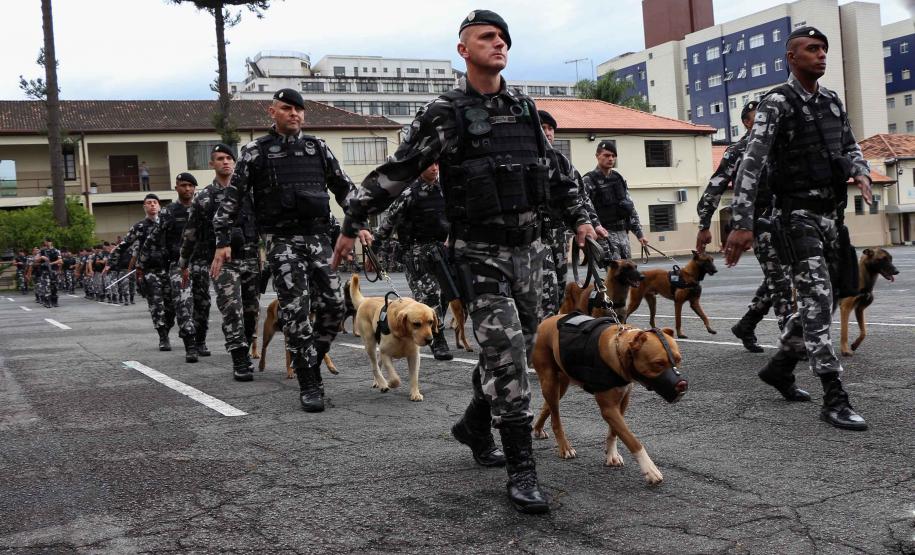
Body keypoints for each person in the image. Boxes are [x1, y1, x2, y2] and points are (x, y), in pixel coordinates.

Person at [332, 10, 596, 515]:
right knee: (505, 353)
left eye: (503, 38)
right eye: (486, 37)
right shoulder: (445, 112)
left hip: (532, 252)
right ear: (464, 50)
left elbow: (557, 173)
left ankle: (474, 425)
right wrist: (352, 222)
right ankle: (522, 468)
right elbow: (399, 170)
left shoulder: (523, 106)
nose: (498, 44)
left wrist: (581, 219)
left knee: (515, 351)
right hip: (478, 254)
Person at [724, 26, 873, 431]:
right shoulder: (777, 102)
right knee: (819, 300)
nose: (820, 55)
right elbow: (751, 163)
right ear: (791, 57)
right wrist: (741, 224)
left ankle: (781, 365)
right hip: (796, 216)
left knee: (834, 292)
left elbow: (849, 145)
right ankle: (834, 396)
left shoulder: (831, 101)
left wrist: (860, 172)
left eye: (824, 49)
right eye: (811, 49)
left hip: (831, 215)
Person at [211, 88, 353, 406]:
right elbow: (232, 198)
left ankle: (310, 359)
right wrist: (222, 241)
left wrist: (357, 225)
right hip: (282, 241)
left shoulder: (318, 148)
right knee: (295, 311)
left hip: (318, 239)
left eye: (299, 110)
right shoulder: (255, 152)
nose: (294, 114)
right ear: (272, 112)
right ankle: (310, 384)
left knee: (335, 308)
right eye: (287, 108)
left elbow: (344, 187)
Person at [696, 101, 792, 352]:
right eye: (756, 117)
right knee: (780, 281)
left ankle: (746, 325)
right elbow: (715, 185)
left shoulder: (779, 144)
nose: (763, 121)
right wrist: (704, 223)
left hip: (787, 219)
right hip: (759, 222)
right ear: (747, 123)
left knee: (780, 277)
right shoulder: (738, 150)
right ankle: (792, 341)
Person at [180, 144, 262, 374]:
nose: (225, 162)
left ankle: (244, 349)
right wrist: (183, 262)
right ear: (212, 164)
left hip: (250, 259)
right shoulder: (204, 197)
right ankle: (239, 358)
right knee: (231, 308)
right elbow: (191, 233)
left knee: (250, 310)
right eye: (220, 159)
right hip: (222, 263)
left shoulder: (249, 194)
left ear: (234, 163)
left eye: (229, 158)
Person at [373, 162, 454, 361]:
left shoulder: (446, 190)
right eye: (429, 165)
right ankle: (438, 339)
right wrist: (374, 249)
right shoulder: (409, 193)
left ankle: (435, 330)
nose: (435, 168)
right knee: (429, 297)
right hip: (417, 253)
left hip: (441, 250)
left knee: (445, 295)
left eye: (437, 164)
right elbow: (388, 221)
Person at [537, 110, 605, 318]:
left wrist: (593, 223)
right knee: (545, 294)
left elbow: (581, 198)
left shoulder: (563, 163)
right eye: (543, 127)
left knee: (558, 290)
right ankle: (541, 342)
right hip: (535, 235)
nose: (547, 132)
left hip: (559, 235)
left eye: (551, 128)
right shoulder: (527, 161)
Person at [139, 173, 199, 362]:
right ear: (177, 188)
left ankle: (201, 340)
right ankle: (190, 344)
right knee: (182, 303)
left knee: (202, 305)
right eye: (183, 185)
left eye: (190, 185)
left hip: (202, 262)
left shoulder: (202, 207)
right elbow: (153, 238)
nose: (187, 189)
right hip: (178, 265)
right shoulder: (169, 212)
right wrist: (142, 263)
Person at [583, 140, 649, 262]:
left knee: (628, 271)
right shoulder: (588, 180)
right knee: (614, 274)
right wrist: (595, 227)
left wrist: (639, 234)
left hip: (623, 233)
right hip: (604, 234)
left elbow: (630, 208)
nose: (611, 159)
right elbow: (584, 208)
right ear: (597, 156)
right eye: (606, 155)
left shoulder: (618, 178)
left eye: (613, 156)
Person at [117, 194, 164, 347]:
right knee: (156, 304)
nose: (152, 205)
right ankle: (163, 336)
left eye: (155, 202)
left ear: (159, 205)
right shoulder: (139, 227)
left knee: (171, 305)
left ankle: (168, 326)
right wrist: (110, 263)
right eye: (149, 203)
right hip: (149, 270)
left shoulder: (167, 222)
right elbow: (124, 245)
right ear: (144, 207)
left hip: (170, 268)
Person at [36, 238, 62, 308]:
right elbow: (36, 260)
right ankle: (47, 301)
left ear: (51, 242)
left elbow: (60, 261)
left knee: (55, 286)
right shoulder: (42, 251)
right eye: (46, 242)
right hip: (45, 271)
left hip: (54, 271)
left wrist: (51, 263)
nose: (47, 243)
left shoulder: (56, 251)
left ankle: (54, 301)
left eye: (48, 242)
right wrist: (42, 257)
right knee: (46, 286)